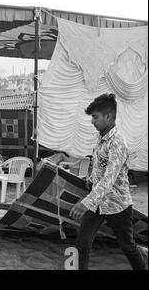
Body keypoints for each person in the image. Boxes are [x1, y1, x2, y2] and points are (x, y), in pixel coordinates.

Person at [69, 93, 147, 270]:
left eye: (95, 117)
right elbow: (99, 164)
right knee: (82, 243)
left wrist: (85, 203)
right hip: (98, 203)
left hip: (118, 204)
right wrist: (90, 178)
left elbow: (109, 179)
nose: (92, 122)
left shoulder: (118, 143)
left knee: (127, 246)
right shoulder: (101, 137)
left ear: (109, 117)